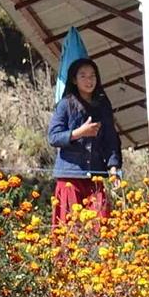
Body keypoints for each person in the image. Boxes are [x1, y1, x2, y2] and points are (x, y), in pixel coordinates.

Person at [46, 58, 122, 226]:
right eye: (83, 76)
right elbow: (53, 137)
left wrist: (113, 168)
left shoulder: (103, 105)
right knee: (70, 229)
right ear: (74, 80)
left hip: (95, 177)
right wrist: (80, 133)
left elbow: (111, 139)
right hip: (70, 178)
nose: (89, 80)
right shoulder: (65, 105)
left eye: (92, 76)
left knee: (100, 226)